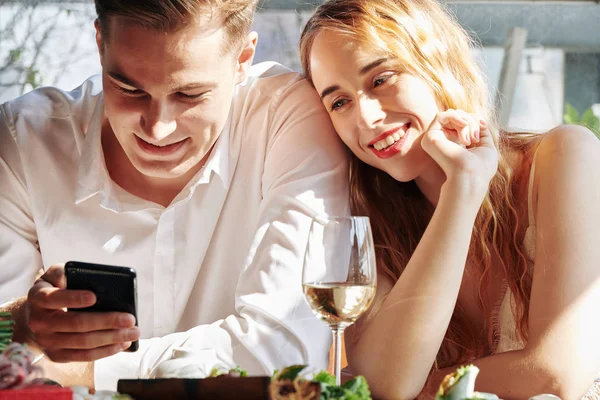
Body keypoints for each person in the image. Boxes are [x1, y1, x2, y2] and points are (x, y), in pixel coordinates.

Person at [0, 0, 349, 391]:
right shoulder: (21, 140)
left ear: (243, 59)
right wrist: (21, 321)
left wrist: (83, 372)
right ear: (100, 43)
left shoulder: (286, 118)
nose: (157, 130)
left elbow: (287, 350)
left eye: (190, 94)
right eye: (128, 89)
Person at [299, 0, 600, 398]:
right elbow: (382, 386)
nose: (365, 118)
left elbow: (557, 375)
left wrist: (418, 387)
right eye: (339, 102)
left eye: (381, 79)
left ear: (436, 60)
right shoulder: (371, 226)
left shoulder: (565, 156)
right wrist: (462, 190)